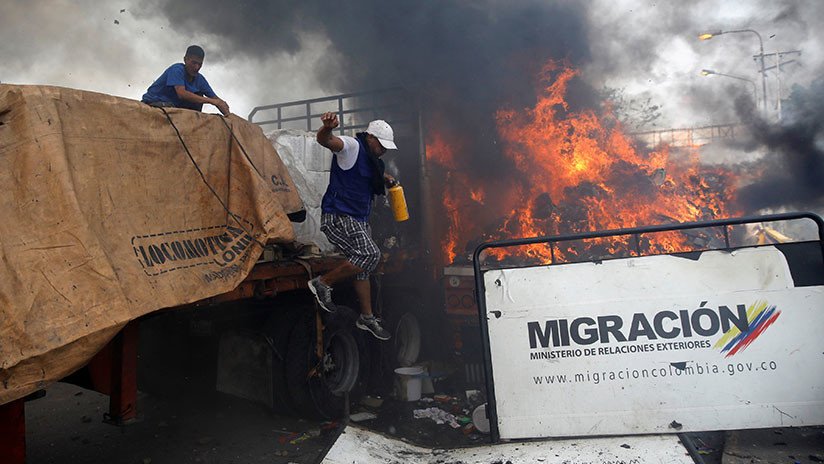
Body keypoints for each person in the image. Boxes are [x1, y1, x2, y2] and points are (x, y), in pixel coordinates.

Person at [308, 112, 398, 341]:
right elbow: (326, 141)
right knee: (370, 255)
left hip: (358, 220)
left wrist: (386, 178)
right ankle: (322, 283)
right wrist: (327, 128)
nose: (384, 150)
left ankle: (366, 317)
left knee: (363, 267)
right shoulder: (352, 146)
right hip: (339, 216)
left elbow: (370, 173)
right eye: (382, 144)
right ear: (370, 137)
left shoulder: (373, 161)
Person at [141, 45, 230, 116]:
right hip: (155, 102)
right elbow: (181, 93)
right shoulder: (177, 69)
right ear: (185, 59)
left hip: (174, 107)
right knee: (179, 106)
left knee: (198, 95)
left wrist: (227, 113)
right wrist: (211, 101)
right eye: (194, 63)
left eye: (200, 64)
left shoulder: (200, 79)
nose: (197, 67)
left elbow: (217, 100)